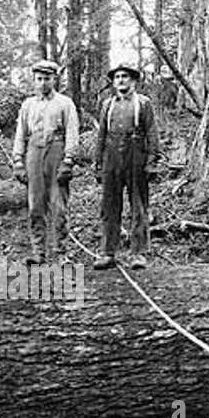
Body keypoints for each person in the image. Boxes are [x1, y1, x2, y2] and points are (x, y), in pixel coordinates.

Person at [93, 63, 161, 270]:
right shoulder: (107, 104)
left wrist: (151, 161)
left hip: (136, 155)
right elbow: (101, 135)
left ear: (133, 80)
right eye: (117, 77)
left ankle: (138, 253)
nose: (121, 80)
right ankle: (108, 252)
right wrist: (98, 163)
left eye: (125, 76)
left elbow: (152, 133)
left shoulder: (143, 103)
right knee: (109, 206)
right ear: (113, 82)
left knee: (138, 206)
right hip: (112, 157)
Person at [11, 59, 79, 264]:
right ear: (34, 80)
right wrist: (17, 161)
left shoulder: (65, 103)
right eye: (39, 79)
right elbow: (20, 133)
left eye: (47, 79)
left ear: (55, 79)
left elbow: (72, 131)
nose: (43, 83)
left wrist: (69, 159)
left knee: (59, 205)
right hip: (33, 153)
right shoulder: (27, 105)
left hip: (56, 152)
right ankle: (38, 251)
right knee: (35, 205)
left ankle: (60, 252)